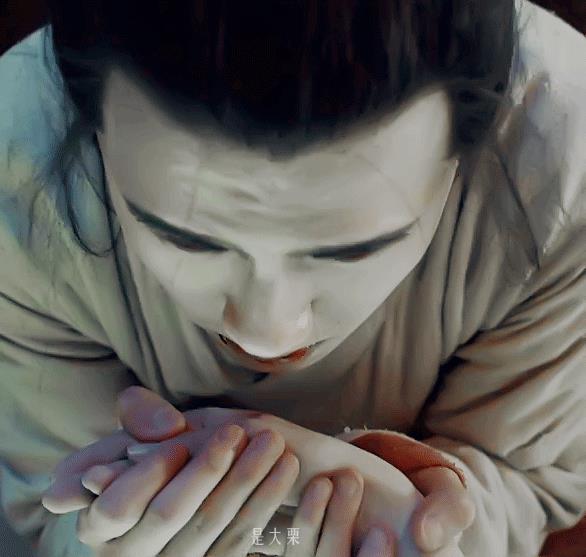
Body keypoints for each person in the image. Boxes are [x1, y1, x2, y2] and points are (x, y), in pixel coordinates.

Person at [0, 0, 584, 556]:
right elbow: (45, 512)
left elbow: (529, 481)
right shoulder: (14, 179)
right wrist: (112, 537)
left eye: (352, 251)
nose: (267, 334)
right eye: (188, 240)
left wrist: (396, 512)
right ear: (92, 133)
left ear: (467, 153)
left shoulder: (563, 175)